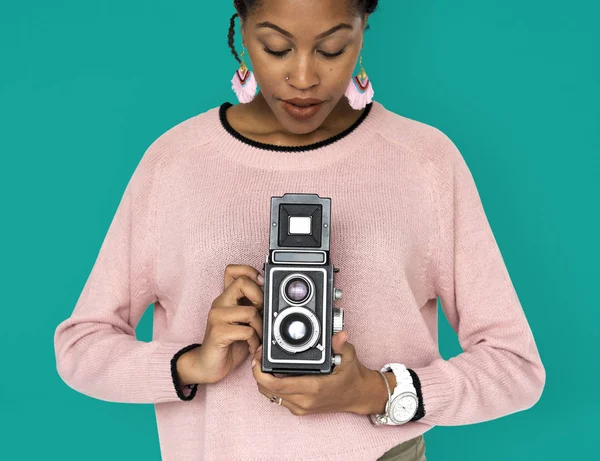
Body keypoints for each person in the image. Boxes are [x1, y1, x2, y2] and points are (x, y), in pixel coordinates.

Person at [53, 1, 546, 460]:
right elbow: (82, 348)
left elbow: (516, 368)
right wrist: (189, 364)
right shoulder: (175, 162)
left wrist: (376, 392)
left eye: (332, 49)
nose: (305, 77)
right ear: (241, 31)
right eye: (277, 47)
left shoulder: (424, 161)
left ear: (363, 32)